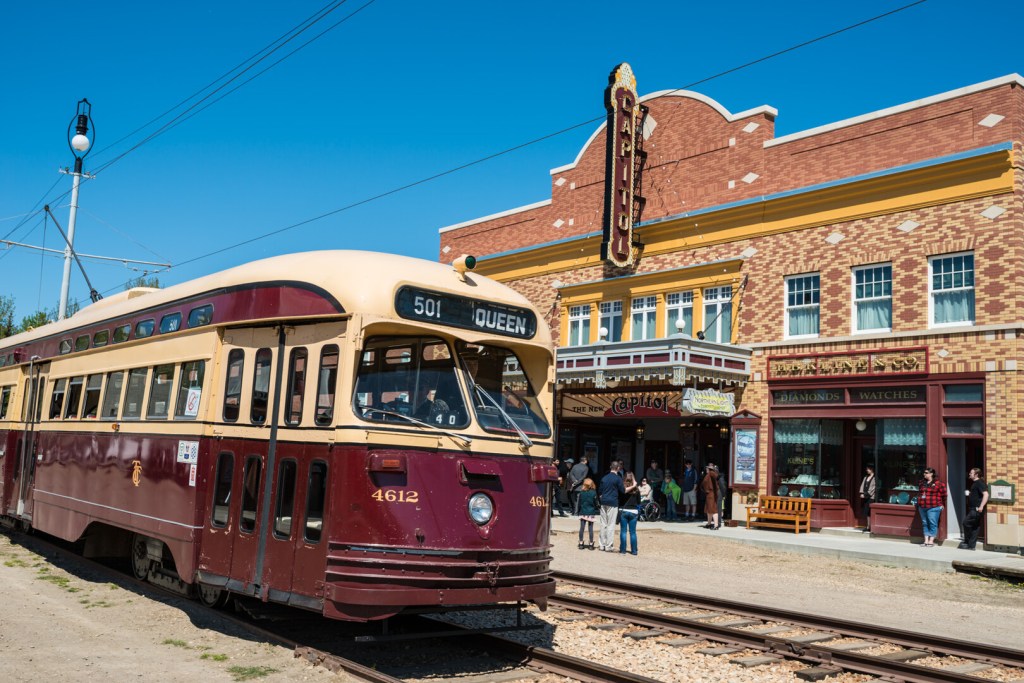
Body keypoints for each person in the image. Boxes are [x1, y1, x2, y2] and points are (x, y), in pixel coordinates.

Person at [959, 467, 989, 550]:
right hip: (974, 508)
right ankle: (971, 546)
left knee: (966, 523)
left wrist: (981, 506)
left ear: (976, 474)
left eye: (971, 473)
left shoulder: (979, 483)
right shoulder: (975, 483)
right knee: (975, 527)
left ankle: (967, 542)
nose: (969, 474)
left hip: (976, 509)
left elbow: (986, 495)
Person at [916, 467, 947, 547]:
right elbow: (920, 492)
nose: (924, 474)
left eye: (926, 473)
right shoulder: (921, 482)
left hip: (934, 506)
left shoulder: (939, 483)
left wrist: (942, 504)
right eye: (924, 472)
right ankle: (926, 540)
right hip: (922, 506)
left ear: (931, 474)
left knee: (932, 523)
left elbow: (944, 495)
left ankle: (931, 540)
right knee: (925, 523)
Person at [598, 462, 625, 551]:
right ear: (618, 468)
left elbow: (600, 491)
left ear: (610, 467)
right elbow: (622, 490)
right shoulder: (618, 478)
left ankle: (602, 544)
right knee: (611, 524)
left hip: (604, 502)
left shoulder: (604, 478)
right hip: (613, 502)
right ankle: (609, 546)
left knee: (603, 524)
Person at [618, 472, 640, 555]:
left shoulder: (622, 488)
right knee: (633, 532)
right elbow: (639, 502)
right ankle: (634, 551)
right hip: (633, 511)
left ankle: (623, 550)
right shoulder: (636, 489)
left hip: (623, 510)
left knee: (623, 531)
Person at [577, 478, 598, 550]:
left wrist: (578, 511)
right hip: (591, 511)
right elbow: (596, 503)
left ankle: (580, 543)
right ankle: (591, 544)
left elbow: (579, 503)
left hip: (583, 511)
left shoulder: (581, 492)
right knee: (590, 529)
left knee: (582, 528)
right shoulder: (594, 492)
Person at [859, 465, 877, 532]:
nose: (867, 470)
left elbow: (873, 488)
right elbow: (862, 485)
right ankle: (868, 526)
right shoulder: (865, 477)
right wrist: (861, 493)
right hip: (865, 497)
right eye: (867, 469)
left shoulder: (875, 478)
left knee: (870, 512)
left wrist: (866, 494)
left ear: (872, 469)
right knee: (867, 512)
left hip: (871, 497)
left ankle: (871, 527)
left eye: (868, 469)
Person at [701, 464, 720, 530]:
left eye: (707, 468)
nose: (706, 469)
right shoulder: (708, 474)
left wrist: (711, 470)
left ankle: (716, 525)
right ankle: (709, 524)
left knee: (713, 510)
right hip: (709, 494)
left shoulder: (711, 473)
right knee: (709, 510)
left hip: (711, 494)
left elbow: (716, 476)